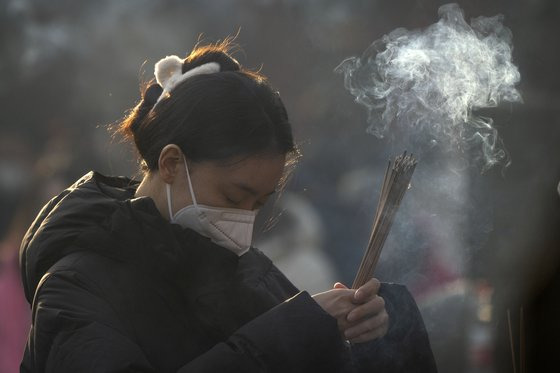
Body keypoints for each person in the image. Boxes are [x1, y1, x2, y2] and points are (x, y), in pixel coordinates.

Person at [20, 40, 437, 372]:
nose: (243, 221)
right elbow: (278, 344)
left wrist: (369, 332)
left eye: (258, 204)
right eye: (234, 197)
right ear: (171, 163)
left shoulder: (248, 271)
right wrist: (292, 332)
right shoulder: (75, 287)